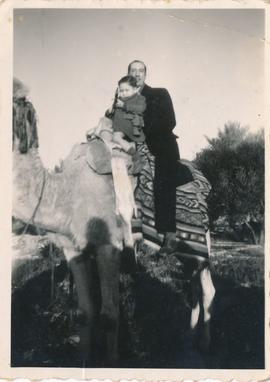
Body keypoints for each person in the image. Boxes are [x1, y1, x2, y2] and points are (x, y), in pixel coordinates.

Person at [128, 60, 180, 254]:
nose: (137, 74)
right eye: (133, 71)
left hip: (160, 146)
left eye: (140, 71)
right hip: (132, 147)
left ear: (145, 75)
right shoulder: (123, 96)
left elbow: (170, 121)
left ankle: (169, 234)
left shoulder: (159, 94)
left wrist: (142, 132)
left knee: (164, 177)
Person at [106, 75, 146, 155]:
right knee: (113, 137)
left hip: (130, 125)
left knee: (116, 138)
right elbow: (114, 113)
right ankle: (129, 148)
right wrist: (110, 111)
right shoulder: (119, 99)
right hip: (119, 126)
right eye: (121, 90)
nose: (123, 93)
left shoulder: (139, 98)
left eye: (127, 90)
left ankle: (133, 153)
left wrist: (124, 105)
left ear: (135, 89)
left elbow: (141, 109)